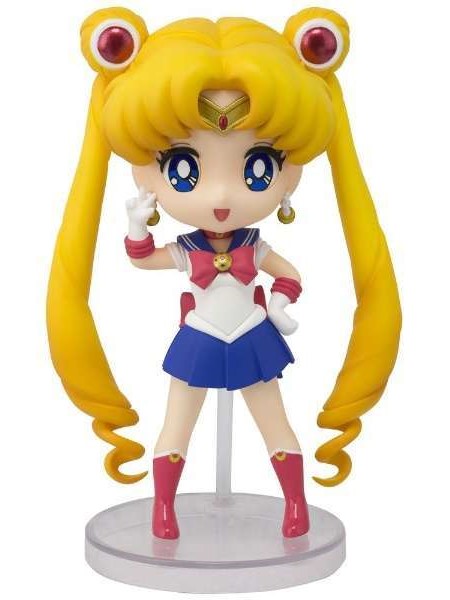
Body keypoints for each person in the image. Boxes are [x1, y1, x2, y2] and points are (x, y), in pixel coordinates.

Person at [47, 6, 401, 540]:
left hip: (254, 336)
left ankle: (296, 505)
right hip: (200, 337)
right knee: (178, 423)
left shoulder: (255, 248)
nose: (219, 195)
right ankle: (163, 509)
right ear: (144, 169)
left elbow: (290, 275)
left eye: (258, 167)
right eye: (183, 168)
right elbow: (142, 259)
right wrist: (136, 226)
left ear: (290, 172)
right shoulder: (187, 250)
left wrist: (279, 302)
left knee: (273, 421)